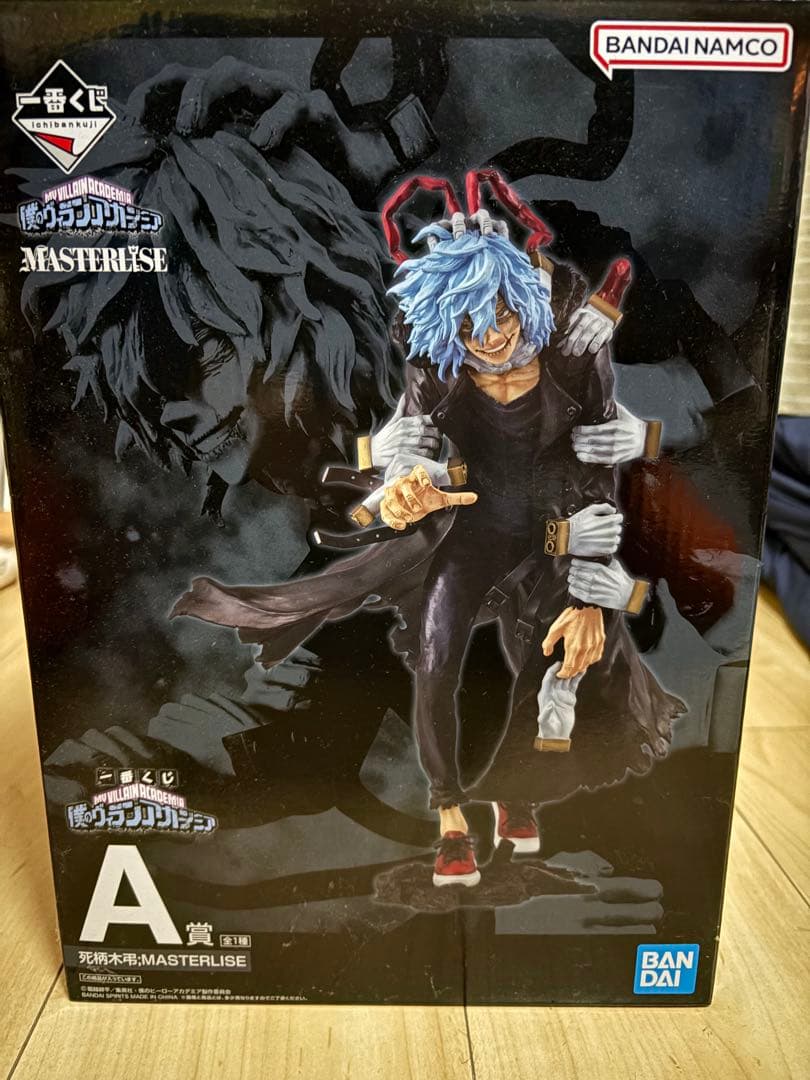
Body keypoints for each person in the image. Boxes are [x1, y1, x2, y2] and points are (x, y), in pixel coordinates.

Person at [175, 191, 684, 888]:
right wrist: (400, 486)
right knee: (438, 658)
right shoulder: (432, 366)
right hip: (467, 528)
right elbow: (409, 453)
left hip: (556, 532)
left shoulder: (574, 357)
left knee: (546, 658)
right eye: (468, 324)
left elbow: (597, 471)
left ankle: (516, 795)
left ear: (521, 301)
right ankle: (450, 818)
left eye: (501, 314)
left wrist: (591, 589)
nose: (490, 337)